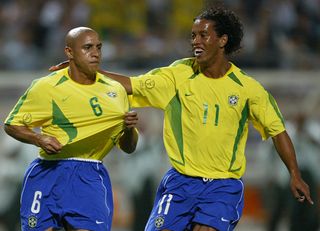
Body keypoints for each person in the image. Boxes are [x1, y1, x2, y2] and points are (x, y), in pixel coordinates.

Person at [50, 8, 313, 231]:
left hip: (223, 187)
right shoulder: (178, 75)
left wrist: (294, 174)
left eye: (203, 35)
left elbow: (278, 131)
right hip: (180, 182)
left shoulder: (247, 88)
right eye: (193, 36)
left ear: (222, 40)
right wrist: (88, 72)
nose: (195, 41)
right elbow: (131, 84)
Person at [4, 27, 139, 231]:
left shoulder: (115, 90)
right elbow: (11, 124)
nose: (95, 53)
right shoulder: (46, 87)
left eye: (98, 47)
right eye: (87, 47)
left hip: (89, 175)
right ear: (69, 52)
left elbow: (129, 148)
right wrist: (38, 139)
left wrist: (129, 129)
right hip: (47, 172)